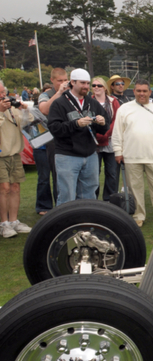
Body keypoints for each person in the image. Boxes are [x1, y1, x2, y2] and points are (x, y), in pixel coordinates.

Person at [112, 79, 153, 227]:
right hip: (131, 156)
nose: (142, 94)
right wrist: (118, 151)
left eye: (144, 91)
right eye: (139, 91)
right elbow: (118, 132)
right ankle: (138, 215)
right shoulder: (124, 109)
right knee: (135, 188)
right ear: (134, 91)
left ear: (150, 92)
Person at [47, 68, 109, 206]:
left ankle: (86, 223)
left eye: (88, 83)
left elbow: (105, 125)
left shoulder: (92, 102)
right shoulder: (59, 103)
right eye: (82, 83)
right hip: (67, 155)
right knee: (66, 195)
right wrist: (76, 124)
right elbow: (54, 128)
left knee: (89, 194)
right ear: (72, 82)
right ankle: (65, 225)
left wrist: (103, 123)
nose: (86, 86)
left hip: (90, 154)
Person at [0, 82, 33, 238]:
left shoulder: (11, 107)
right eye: (0, 93)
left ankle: (14, 221)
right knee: (4, 188)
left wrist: (25, 110)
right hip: (0, 155)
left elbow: (27, 123)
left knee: (15, 187)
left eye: (3, 92)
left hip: (14, 153)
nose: (3, 96)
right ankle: (4, 223)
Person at [35, 67, 70, 214]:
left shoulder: (70, 93)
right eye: (59, 81)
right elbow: (44, 109)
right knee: (51, 175)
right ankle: (51, 207)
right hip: (50, 140)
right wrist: (59, 93)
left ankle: (66, 205)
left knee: (67, 175)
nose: (63, 83)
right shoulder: (46, 94)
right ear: (52, 80)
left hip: (68, 137)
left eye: (65, 80)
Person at [91, 78, 121, 201]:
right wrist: (98, 134)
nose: (96, 87)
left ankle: (110, 199)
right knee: (93, 174)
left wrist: (106, 132)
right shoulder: (89, 101)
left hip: (110, 140)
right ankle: (93, 199)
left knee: (112, 173)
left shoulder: (113, 101)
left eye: (99, 85)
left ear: (104, 87)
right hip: (94, 141)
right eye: (94, 85)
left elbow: (117, 119)